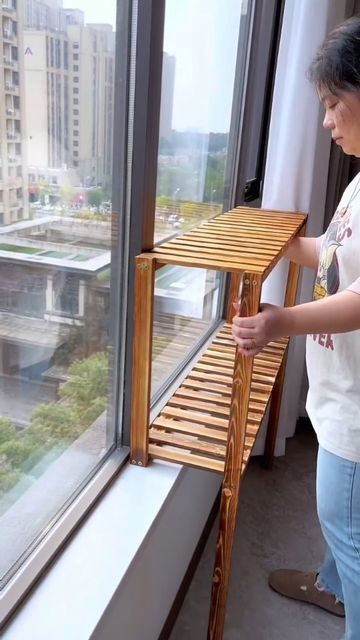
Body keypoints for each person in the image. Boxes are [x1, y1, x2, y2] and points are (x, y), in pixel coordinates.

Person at [232, 16, 360, 640]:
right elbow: (336, 255)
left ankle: (348, 593)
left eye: (335, 104)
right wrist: (281, 243)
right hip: (342, 394)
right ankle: (333, 586)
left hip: (358, 414)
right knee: (346, 529)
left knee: (347, 522)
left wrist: (280, 321)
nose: (328, 122)